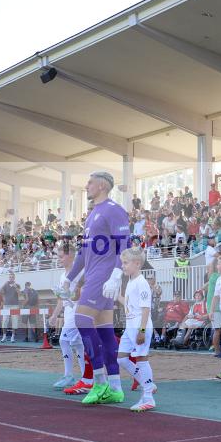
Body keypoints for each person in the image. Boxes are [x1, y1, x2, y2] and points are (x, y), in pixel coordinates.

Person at [61, 171, 131, 405]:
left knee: (82, 320)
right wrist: (70, 278)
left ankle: (98, 381)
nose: (87, 185)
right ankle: (115, 387)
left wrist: (117, 274)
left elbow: (125, 244)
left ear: (102, 185)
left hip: (104, 277)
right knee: (105, 332)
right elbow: (83, 252)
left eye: (90, 182)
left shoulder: (113, 209)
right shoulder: (92, 215)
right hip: (93, 276)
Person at [116, 247, 156, 412]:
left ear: (137, 263)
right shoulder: (131, 281)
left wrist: (141, 330)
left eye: (125, 263)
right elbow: (128, 304)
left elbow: (146, 308)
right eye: (122, 263)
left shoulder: (141, 282)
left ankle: (148, 397)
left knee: (141, 358)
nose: (123, 266)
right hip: (130, 325)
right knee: (121, 358)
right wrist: (115, 294)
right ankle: (148, 383)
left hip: (140, 325)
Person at [49, 243, 87, 391]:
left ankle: (69, 375)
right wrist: (54, 315)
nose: (59, 259)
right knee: (78, 344)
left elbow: (81, 293)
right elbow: (61, 299)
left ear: (70, 256)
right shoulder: (62, 275)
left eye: (61, 256)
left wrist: (70, 295)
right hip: (68, 311)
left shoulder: (79, 273)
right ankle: (85, 377)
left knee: (64, 340)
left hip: (78, 310)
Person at [0, 272, 20, 343]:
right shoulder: (6, 284)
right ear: (9, 278)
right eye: (10, 277)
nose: (11, 278)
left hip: (15, 305)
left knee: (14, 321)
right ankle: (4, 336)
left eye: (12, 277)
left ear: (14, 278)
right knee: (5, 321)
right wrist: (4, 285)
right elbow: (0, 291)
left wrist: (15, 287)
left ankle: (12, 337)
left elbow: (19, 294)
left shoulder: (17, 285)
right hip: (6, 305)